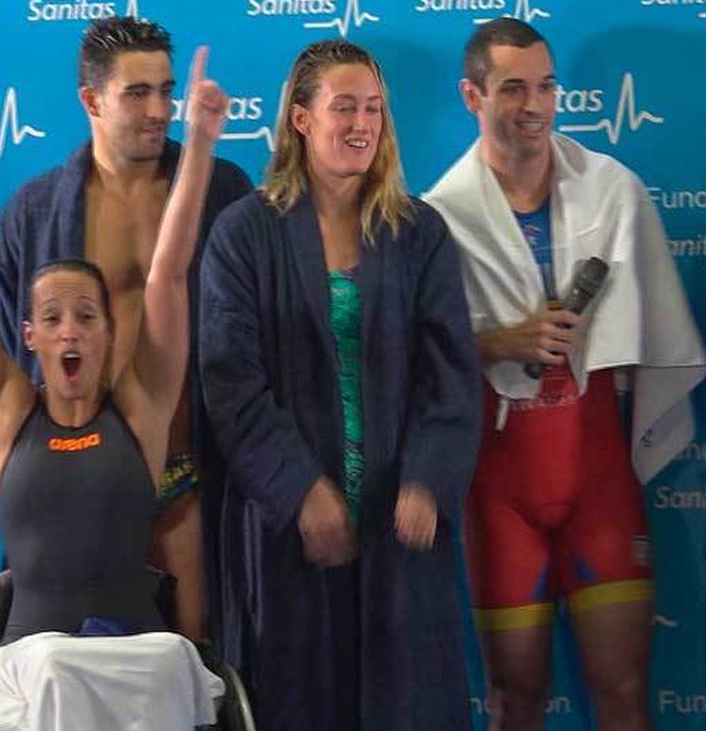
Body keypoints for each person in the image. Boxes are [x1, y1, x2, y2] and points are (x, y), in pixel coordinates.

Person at [0, 45, 228, 730]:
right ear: (28, 335)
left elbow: (170, 276)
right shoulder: (4, 413)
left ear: (109, 334)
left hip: (137, 658)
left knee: (173, 663)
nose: (71, 333)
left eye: (87, 318)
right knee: (59, 670)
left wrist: (202, 144)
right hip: (34, 669)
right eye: (53, 319)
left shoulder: (141, 413)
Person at [425, 18, 706, 731]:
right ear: (472, 96)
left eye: (546, 86)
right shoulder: (438, 215)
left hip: (598, 478)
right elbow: (413, 358)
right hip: (500, 490)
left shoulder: (612, 188)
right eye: (513, 88)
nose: (535, 105)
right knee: (513, 700)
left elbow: (663, 333)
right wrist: (495, 341)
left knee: (624, 694)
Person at [197, 40, 482, 731]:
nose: (362, 123)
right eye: (344, 106)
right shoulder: (244, 233)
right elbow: (232, 380)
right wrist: (300, 489)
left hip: (399, 528)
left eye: (375, 109)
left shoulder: (420, 233)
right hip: (286, 532)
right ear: (300, 117)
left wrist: (427, 479)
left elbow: (451, 376)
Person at [0, 16, 253, 642]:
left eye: (166, 90)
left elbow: (257, 344)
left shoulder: (225, 193)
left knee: (200, 664)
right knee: (74, 670)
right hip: (81, 483)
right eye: (138, 93)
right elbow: (12, 366)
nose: (159, 109)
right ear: (91, 100)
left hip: (193, 475)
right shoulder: (31, 215)